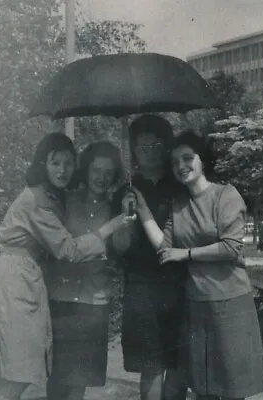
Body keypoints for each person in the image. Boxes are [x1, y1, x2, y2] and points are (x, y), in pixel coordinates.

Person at [0, 133, 129, 400]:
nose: (62, 170)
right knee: (20, 369)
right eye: (55, 163)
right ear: (43, 164)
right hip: (18, 283)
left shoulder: (51, 197)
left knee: (23, 367)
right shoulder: (41, 200)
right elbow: (67, 249)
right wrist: (114, 224)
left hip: (29, 278)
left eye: (67, 163)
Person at [130, 131, 263, 400]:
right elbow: (165, 247)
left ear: (203, 161)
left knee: (231, 389)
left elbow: (230, 247)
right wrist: (143, 210)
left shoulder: (226, 195)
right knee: (203, 386)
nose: (181, 166)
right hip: (196, 305)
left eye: (188, 158)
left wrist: (186, 254)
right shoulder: (179, 205)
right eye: (175, 162)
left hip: (230, 303)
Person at [111, 115, 188, 400]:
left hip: (181, 284)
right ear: (132, 148)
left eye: (156, 143)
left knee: (180, 366)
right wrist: (124, 220)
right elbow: (118, 250)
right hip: (142, 288)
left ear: (166, 145)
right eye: (141, 145)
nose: (149, 150)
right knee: (152, 366)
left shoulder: (181, 185)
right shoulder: (125, 192)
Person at [45, 141, 125, 400]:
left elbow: (122, 249)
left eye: (108, 173)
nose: (101, 178)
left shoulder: (117, 209)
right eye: (96, 171)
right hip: (61, 298)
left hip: (94, 302)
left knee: (79, 383)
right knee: (57, 380)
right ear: (86, 170)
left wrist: (126, 217)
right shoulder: (65, 200)